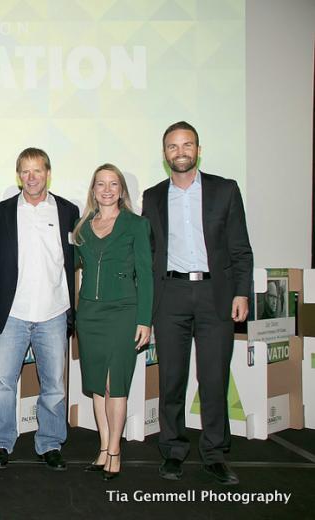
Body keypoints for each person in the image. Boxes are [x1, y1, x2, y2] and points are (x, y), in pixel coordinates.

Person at [142, 121, 253, 485]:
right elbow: (149, 253)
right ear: (165, 154)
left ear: (198, 150)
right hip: (170, 295)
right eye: (173, 146)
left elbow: (240, 247)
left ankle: (215, 453)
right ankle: (173, 450)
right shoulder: (152, 197)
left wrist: (241, 292)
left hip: (214, 296)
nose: (180, 152)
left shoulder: (225, 189)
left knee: (214, 378)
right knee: (171, 378)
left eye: (187, 144)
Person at [0, 148, 79, 471]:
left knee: (54, 386)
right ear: (18, 175)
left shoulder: (67, 211)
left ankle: (50, 443)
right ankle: (0, 443)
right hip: (13, 314)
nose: (32, 177)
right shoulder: (2, 212)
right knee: (3, 385)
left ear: (48, 173)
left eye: (37, 170)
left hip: (53, 313)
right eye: (25, 171)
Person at [73, 163, 152, 480]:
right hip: (89, 314)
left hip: (123, 312)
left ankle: (116, 449)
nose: (107, 190)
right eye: (100, 184)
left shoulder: (137, 225)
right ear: (93, 190)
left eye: (113, 184)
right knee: (96, 384)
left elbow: (145, 274)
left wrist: (144, 319)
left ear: (121, 190)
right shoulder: (82, 228)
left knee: (113, 383)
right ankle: (104, 447)